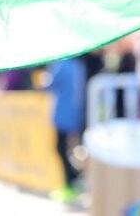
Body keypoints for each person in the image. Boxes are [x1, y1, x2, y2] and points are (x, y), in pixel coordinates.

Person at [44, 57, 86, 201]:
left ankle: (71, 181)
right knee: (69, 149)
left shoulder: (61, 65)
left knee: (61, 149)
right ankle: (72, 180)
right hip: (75, 114)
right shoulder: (78, 66)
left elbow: (50, 85)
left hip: (63, 115)